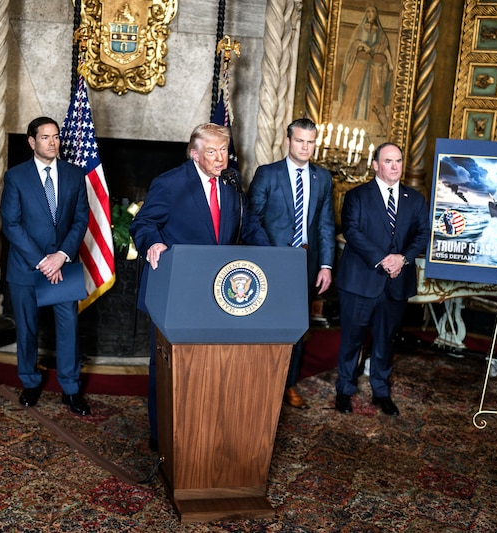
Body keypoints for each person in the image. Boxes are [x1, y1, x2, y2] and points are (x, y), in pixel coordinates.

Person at [130, 122, 270, 450]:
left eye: (224, 150)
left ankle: (200, 429)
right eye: (212, 152)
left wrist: (275, 258)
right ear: (194, 153)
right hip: (176, 290)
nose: (220, 158)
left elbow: (248, 224)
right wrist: (153, 243)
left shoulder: (232, 183)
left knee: (208, 365)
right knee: (168, 365)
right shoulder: (171, 183)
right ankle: (161, 434)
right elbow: (143, 223)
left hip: (218, 292)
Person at [0, 116, 92, 416]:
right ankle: (29, 381)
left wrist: (61, 255)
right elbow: (11, 225)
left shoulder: (75, 174)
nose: (53, 143)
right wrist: (42, 260)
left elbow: (81, 220)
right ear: (31, 141)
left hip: (63, 266)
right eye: (45, 138)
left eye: (56, 137)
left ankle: (71, 389)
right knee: (26, 329)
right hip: (27, 267)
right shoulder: (15, 177)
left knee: (70, 329)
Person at [333, 142, 429, 416]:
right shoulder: (357, 196)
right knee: (352, 339)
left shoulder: (415, 199)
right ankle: (345, 390)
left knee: (386, 340)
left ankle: (381, 391)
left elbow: (422, 234)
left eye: (398, 160)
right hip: (361, 281)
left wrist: (402, 259)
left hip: (396, 283)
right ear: (376, 165)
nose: (395, 166)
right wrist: (384, 259)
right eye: (388, 161)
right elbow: (352, 231)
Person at [248, 118, 335, 409]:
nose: (305, 147)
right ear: (288, 141)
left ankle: (288, 384)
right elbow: (252, 219)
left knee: (297, 326)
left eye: (310, 142)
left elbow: (325, 224)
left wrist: (326, 265)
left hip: (305, 264)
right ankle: (259, 383)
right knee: (265, 324)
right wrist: (268, 256)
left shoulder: (322, 178)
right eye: (300, 141)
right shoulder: (267, 174)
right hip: (270, 263)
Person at [336, 5, 393, 128]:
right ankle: (347, 116)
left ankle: (373, 120)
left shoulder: (380, 33)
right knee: (354, 88)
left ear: (376, 15)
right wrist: (361, 45)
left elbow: (384, 48)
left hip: (373, 68)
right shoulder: (360, 29)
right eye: (368, 12)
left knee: (375, 91)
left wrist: (390, 63)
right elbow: (353, 44)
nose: (370, 14)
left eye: (373, 12)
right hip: (359, 65)